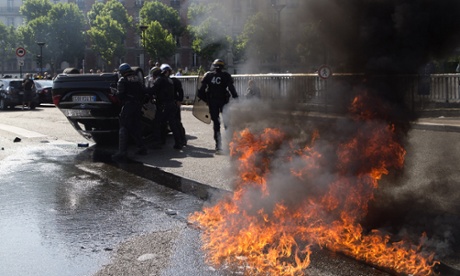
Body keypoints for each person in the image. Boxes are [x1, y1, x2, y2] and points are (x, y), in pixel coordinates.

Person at [197, 59, 238, 153]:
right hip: (224, 101)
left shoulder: (208, 75)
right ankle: (230, 145)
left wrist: (207, 100)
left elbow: (200, 92)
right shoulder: (226, 75)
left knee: (216, 124)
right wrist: (237, 99)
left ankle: (218, 146)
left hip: (213, 102)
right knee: (227, 123)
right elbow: (232, 89)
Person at [112, 63, 148, 162]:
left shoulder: (122, 80)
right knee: (135, 127)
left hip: (128, 106)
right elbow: (143, 91)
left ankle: (122, 152)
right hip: (137, 106)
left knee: (123, 127)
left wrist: (114, 92)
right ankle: (142, 147)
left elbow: (120, 95)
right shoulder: (137, 78)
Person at [147, 64, 183, 150]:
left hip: (164, 105)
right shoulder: (168, 80)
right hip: (171, 104)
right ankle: (178, 143)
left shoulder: (159, 80)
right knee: (172, 124)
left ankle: (157, 142)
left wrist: (143, 90)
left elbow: (153, 90)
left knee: (157, 124)